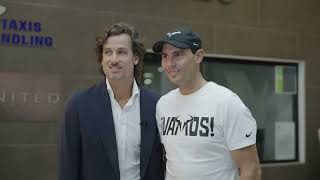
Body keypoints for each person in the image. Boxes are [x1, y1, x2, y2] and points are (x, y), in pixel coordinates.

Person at [59, 22, 165, 180]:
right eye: (108, 52)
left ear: (135, 58)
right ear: (101, 59)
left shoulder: (157, 105)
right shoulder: (79, 105)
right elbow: (68, 167)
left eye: (121, 52)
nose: (114, 59)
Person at [153, 27, 261, 180]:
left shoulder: (226, 102)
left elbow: (251, 169)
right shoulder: (163, 105)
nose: (169, 63)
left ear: (198, 56)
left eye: (178, 55)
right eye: (165, 56)